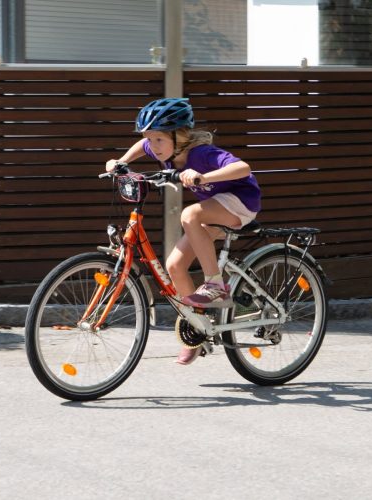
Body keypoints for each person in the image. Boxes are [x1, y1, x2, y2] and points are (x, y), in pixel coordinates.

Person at [105, 98, 261, 365]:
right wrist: (120, 162)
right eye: (150, 139)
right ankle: (198, 328)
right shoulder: (163, 149)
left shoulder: (202, 154)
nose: (153, 147)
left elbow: (243, 168)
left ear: (180, 136)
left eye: (159, 140)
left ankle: (215, 283)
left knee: (190, 213)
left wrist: (203, 177)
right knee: (175, 265)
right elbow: (141, 147)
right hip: (214, 212)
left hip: (241, 203)